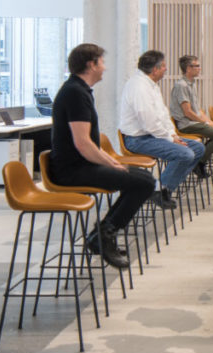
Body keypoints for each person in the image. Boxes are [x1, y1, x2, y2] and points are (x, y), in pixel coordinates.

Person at [49, 43, 154, 269]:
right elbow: (82, 142)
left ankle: (103, 233)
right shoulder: (75, 93)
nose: (104, 68)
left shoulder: (78, 91)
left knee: (144, 180)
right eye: (102, 62)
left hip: (80, 166)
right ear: (91, 64)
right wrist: (111, 163)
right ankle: (104, 235)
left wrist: (111, 162)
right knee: (143, 183)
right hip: (73, 171)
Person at [119, 50, 205, 207]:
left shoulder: (152, 85)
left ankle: (164, 188)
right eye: (164, 66)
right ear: (155, 69)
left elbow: (163, 115)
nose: (166, 69)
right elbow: (149, 122)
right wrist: (171, 139)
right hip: (138, 140)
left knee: (198, 148)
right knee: (185, 153)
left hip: (153, 136)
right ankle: (158, 190)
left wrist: (173, 135)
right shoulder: (139, 87)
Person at [169, 54, 213, 178]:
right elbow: (188, 112)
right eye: (197, 66)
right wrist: (206, 123)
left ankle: (199, 161)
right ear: (188, 69)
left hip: (195, 123)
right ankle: (199, 162)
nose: (199, 68)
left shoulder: (192, 84)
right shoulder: (182, 86)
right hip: (186, 125)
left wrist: (210, 122)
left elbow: (198, 111)